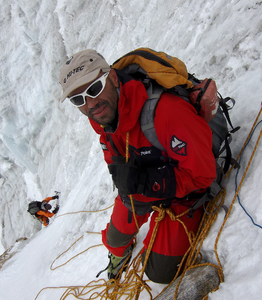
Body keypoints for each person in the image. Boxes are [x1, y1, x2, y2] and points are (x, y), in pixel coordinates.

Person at [58, 49, 216, 284]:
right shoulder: (103, 115)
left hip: (182, 192)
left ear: (112, 78)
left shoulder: (167, 112)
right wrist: (126, 178)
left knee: (158, 271)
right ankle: (124, 250)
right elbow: (112, 153)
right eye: (78, 99)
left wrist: (149, 184)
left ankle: (161, 232)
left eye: (94, 89)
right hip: (144, 183)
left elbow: (203, 175)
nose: (90, 104)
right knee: (114, 239)